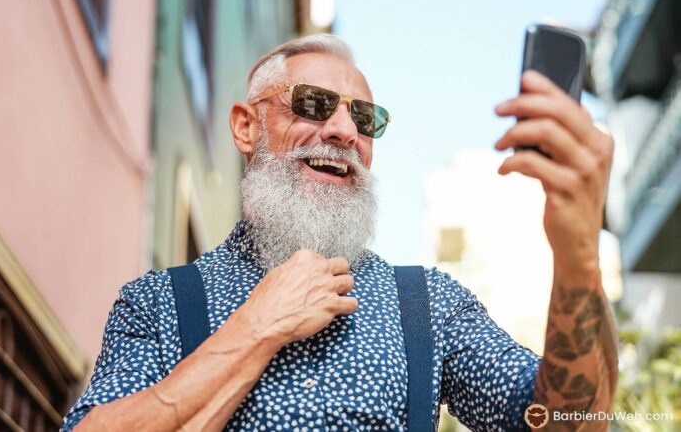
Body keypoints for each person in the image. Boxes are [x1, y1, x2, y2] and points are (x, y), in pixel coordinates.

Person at [62, 34, 618, 431]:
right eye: (313, 104)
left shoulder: (427, 305)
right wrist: (259, 326)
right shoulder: (155, 303)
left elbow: (567, 424)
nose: (344, 131)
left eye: (365, 119)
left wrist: (577, 256)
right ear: (245, 126)